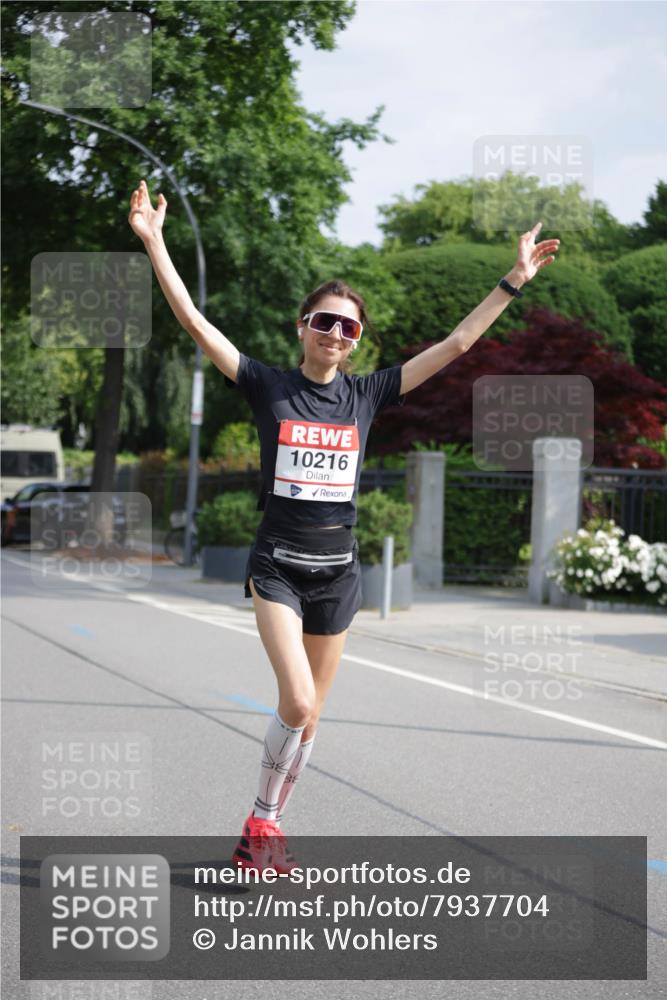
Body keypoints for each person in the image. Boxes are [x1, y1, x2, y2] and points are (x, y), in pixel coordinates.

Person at [128, 179, 560, 872]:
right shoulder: (267, 384)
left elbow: (454, 344)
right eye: (323, 322)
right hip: (277, 568)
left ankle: (262, 830)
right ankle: (263, 823)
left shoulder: (366, 394)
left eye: (347, 328)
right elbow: (195, 323)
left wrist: (512, 278)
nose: (334, 334)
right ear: (301, 327)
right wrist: (154, 241)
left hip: (338, 575)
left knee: (313, 715)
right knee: (295, 700)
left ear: (355, 343)